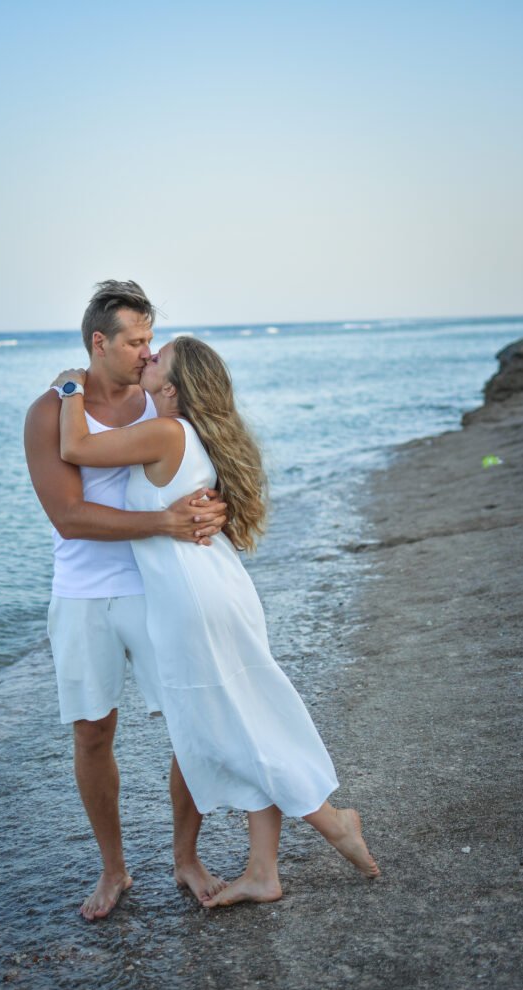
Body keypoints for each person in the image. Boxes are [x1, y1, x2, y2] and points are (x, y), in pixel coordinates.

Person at [51, 335, 380, 908]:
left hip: (193, 600)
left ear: (173, 388)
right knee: (241, 719)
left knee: (232, 728)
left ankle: (330, 821)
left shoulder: (165, 431)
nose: (147, 357)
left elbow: (75, 447)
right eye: (143, 348)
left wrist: (70, 386)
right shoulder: (189, 432)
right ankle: (263, 871)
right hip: (208, 589)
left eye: (157, 358)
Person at [24, 281, 228, 920]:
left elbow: (204, 470)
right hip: (83, 593)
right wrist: (166, 522)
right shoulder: (48, 412)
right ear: (99, 342)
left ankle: (186, 857)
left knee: (190, 719)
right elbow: (70, 517)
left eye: (149, 340)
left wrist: (214, 511)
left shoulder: (162, 405)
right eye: (135, 341)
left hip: (159, 585)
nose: (146, 353)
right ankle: (114, 870)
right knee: (92, 731)